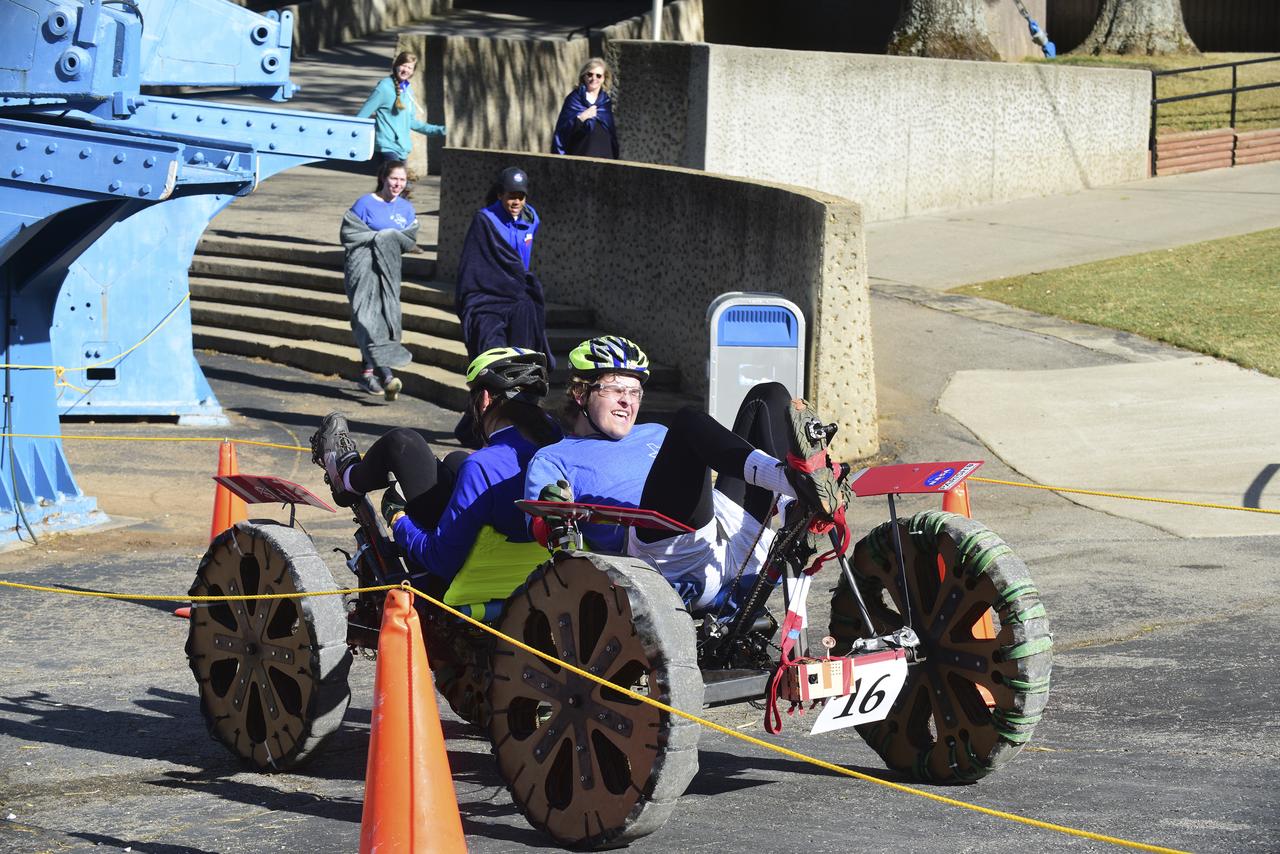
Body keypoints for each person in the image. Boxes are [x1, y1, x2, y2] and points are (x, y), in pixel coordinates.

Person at [524, 336, 850, 615]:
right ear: (580, 394)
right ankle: (797, 485)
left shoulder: (654, 431)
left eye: (635, 392)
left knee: (769, 395)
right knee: (688, 422)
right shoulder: (553, 457)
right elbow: (541, 527)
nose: (627, 400)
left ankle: (800, 493)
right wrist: (553, 513)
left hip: (731, 536)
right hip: (663, 560)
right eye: (615, 389)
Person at [311, 347, 560, 601]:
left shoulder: (483, 467)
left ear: (484, 399)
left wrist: (398, 519)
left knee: (402, 442)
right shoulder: (561, 451)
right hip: (530, 588)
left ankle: (347, 478)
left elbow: (439, 559)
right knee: (456, 460)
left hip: (451, 589)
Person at [455, 165, 553, 363]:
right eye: (511, 196)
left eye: (521, 196)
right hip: (491, 294)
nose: (516, 201)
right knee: (493, 355)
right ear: (500, 194)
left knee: (525, 352)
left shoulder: (531, 218)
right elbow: (474, 262)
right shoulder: (485, 220)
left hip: (518, 291)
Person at [340, 159, 418, 399]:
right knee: (366, 318)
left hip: (389, 272)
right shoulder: (365, 203)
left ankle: (367, 372)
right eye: (394, 178)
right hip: (362, 269)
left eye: (402, 180)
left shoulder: (406, 209)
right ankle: (386, 375)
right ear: (384, 178)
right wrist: (383, 237)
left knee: (382, 320)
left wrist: (388, 238)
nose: (397, 184)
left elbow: (409, 239)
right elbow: (348, 233)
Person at [356, 51, 446, 168]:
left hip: (402, 150)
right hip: (387, 148)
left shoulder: (408, 91)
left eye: (410, 67)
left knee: (392, 185)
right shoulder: (383, 88)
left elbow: (411, 122)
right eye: (403, 65)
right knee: (397, 184)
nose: (406, 70)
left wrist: (440, 130)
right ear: (396, 65)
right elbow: (361, 116)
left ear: (413, 72)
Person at [551, 57, 619, 159]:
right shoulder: (574, 99)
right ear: (584, 76)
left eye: (598, 76)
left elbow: (611, 132)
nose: (594, 79)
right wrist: (581, 118)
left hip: (604, 155)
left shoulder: (606, 101)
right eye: (590, 74)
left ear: (604, 78)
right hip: (581, 154)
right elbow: (562, 131)